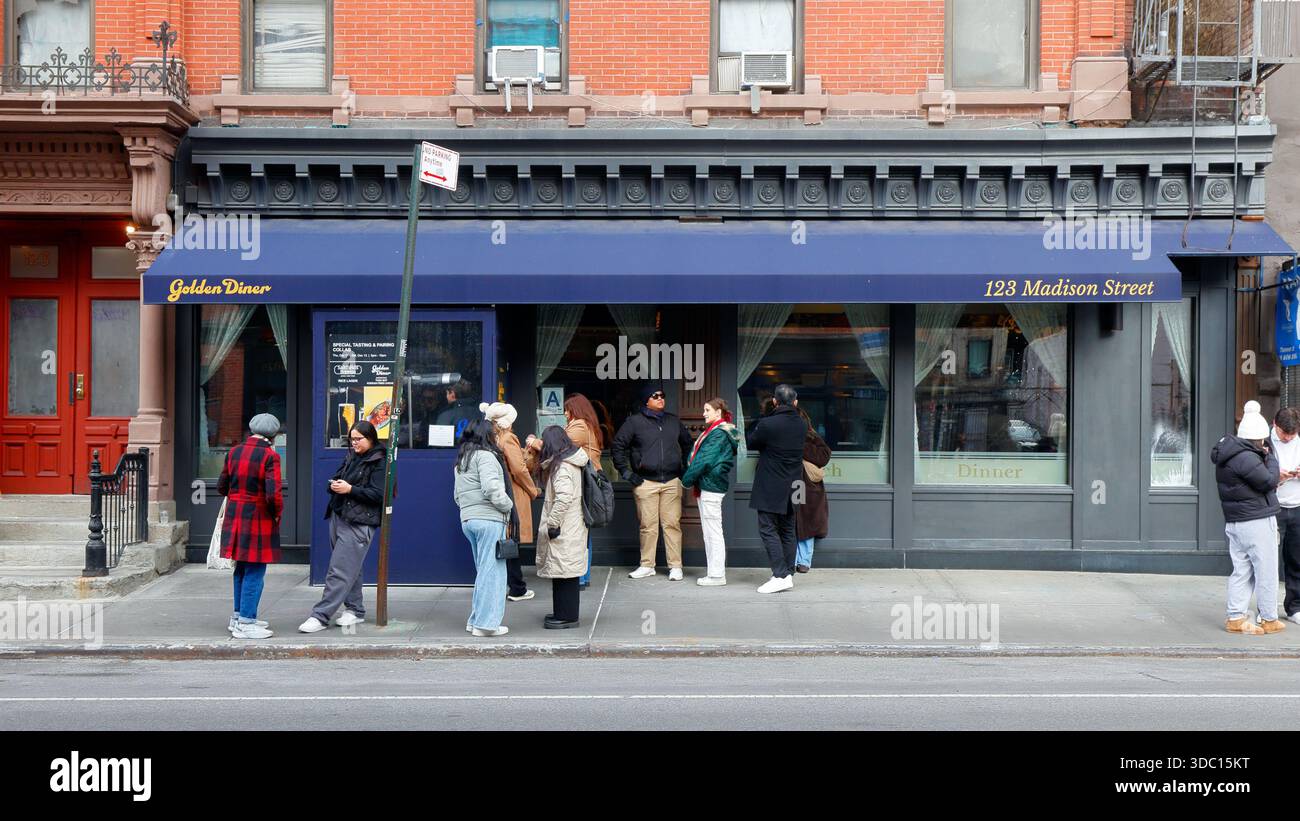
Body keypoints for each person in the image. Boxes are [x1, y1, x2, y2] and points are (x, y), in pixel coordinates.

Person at [300, 419, 386, 633]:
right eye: (351, 439)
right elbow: (340, 477)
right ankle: (355, 610)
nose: (354, 443)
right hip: (340, 515)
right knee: (350, 569)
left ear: (371, 438)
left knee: (339, 570)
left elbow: (379, 495)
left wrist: (350, 490)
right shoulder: (353, 456)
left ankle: (320, 616)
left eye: (359, 439)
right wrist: (336, 485)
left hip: (360, 521)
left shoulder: (380, 460)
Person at [1211, 401, 1286, 635]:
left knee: (1241, 570)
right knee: (1266, 570)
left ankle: (1236, 616)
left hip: (1236, 521)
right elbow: (1268, 481)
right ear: (1258, 439)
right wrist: (1271, 458)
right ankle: (1269, 618)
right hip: (1256, 520)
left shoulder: (1228, 454)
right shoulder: (1247, 457)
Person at [611, 383, 694, 580]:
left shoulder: (673, 421)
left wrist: (685, 469)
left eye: (662, 395)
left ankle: (675, 566)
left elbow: (688, 444)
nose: (660, 398)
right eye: (655, 396)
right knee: (648, 526)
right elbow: (618, 446)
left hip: (672, 481)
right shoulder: (634, 422)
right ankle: (647, 565)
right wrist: (626, 473)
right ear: (646, 400)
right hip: (645, 482)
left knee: (672, 524)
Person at [218, 413, 284, 639]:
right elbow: (273, 494)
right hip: (257, 515)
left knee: (241, 568)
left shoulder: (234, 451)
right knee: (256, 570)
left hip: (235, 513)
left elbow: (221, 486)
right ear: (273, 435)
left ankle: (238, 617)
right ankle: (246, 623)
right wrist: (276, 515)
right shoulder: (270, 456)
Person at [530, 393, 604, 589]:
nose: (564, 413)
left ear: (575, 410)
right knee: (583, 530)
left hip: (584, 483)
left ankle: (579, 576)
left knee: (581, 530)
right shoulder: (583, 424)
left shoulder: (579, 425)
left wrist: (533, 442)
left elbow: (557, 446)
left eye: (567, 409)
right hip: (583, 482)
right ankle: (582, 575)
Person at [452, 419, 515, 637]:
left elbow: (457, 496)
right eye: (495, 434)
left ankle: (476, 620)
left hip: (468, 520)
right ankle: (486, 625)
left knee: (483, 572)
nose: (497, 437)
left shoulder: (462, 460)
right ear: (487, 435)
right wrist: (508, 505)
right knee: (493, 573)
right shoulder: (486, 457)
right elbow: (491, 489)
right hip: (489, 520)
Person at [747, 384, 807, 594]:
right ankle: (788, 573)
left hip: (772, 484)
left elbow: (751, 442)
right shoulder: (801, 424)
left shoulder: (767, 424)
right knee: (788, 530)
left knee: (768, 529)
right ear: (795, 402)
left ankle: (780, 575)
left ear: (774, 401)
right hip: (796, 484)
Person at [482, 401, 539, 603]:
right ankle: (517, 588)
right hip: (514, 492)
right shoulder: (508, 439)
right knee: (512, 539)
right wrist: (533, 490)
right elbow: (519, 469)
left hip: (502, 491)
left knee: (506, 539)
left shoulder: (494, 439)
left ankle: (513, 586)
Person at [534, 426, 590, 628]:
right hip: (572, 526)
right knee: (562, 571)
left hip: (564, 528)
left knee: (565, 572)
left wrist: (552, 523)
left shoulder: (563, 467)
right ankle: (563, 612)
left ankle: (567, 617)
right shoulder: (569, 462)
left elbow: (564, 498)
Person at [680, 398, 739, 586]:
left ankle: (716, 575)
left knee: (712, 532)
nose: (703, 413)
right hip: (710, 485)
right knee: (710, 532)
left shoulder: (718, 433)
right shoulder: (716, 430)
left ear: (718, 412)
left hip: (710, 486)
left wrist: (687, 480)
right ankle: (714, 573)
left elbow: (704, 459)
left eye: (707, 410)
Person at [1271, 406, 1300, 624]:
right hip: (1274, 507)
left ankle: (1294, 607)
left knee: (1296, 560)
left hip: (1298, 506)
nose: (1289, 438)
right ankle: (1267, 608)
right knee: (1269, 561)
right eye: (1284, 434)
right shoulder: (1264, 443)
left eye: (1293, 434)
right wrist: (1275, 476)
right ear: (1275, 425)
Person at [794, 406, 832, 574]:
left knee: (804, 520)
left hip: (805, 485)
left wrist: (800, 445)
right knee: (795, 520)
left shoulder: (811, 437)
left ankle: (804, 561)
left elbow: (824, 456)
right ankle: (795, 559)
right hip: (795, 484)